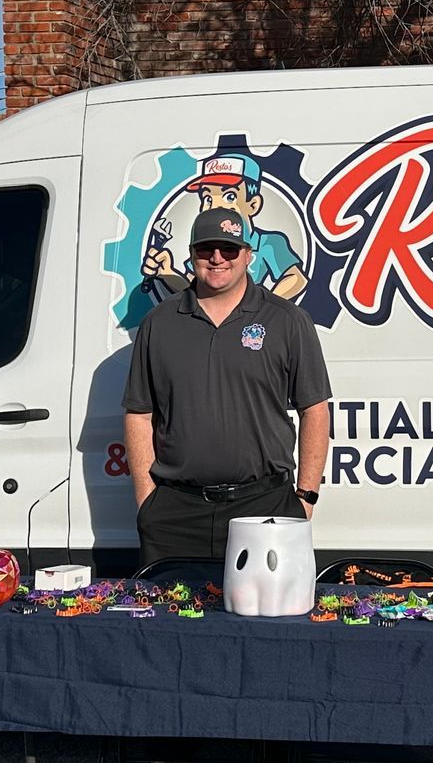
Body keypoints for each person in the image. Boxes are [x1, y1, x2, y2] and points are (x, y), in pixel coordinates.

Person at [123, 207, 332, 569]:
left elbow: (314, 410)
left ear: (248, 255)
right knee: (166, 624)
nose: (217, 258)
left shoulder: (286, 320)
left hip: (265, 507)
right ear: (191, 255)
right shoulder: (160, 323)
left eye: (229, 249)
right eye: (206, 249)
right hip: (176, 513)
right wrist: (148, 501)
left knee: (265, 623)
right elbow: (139, 414)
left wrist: (306, 497)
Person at [140, 153, 309, 300]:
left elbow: (296, 278)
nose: (216, 206)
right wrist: (168, 273)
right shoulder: (205, 249)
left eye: (229, 196)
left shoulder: (269, 242)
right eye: (208, 199)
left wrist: (262, 308)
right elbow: (197, 292)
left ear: (253, 204)